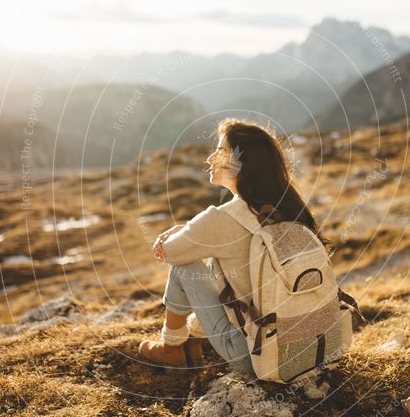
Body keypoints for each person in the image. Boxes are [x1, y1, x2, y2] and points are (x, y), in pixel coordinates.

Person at [138, 118, 329, 375]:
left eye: (219, 151)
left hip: (259, 357)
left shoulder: (221, 219)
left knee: (185, 266)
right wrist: (188, 229)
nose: (210, 159)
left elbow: (171, 253)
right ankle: (191, 342)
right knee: (214, 263)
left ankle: (171, 347)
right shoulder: (288, 206)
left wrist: (178, 231)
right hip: (317, 346)